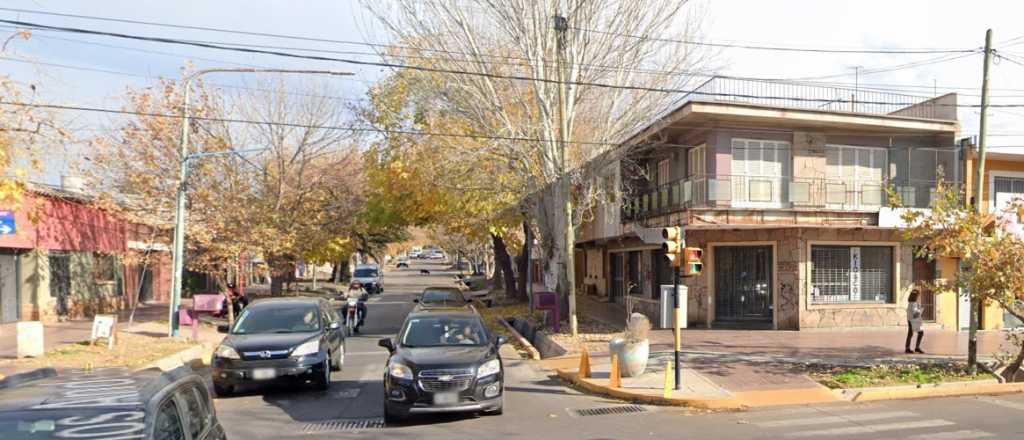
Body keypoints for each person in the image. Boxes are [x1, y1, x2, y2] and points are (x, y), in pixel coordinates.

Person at [906, 289, 925, 354]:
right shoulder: (914, 303)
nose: (919, 297)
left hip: (910, 320)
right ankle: (917, 347)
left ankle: (907, 348)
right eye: (918, 295)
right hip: (915, 321)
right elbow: (915, 313)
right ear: (916, 296)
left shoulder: (910, 303)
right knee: (921, 333)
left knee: (910, 334)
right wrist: (920, 309)